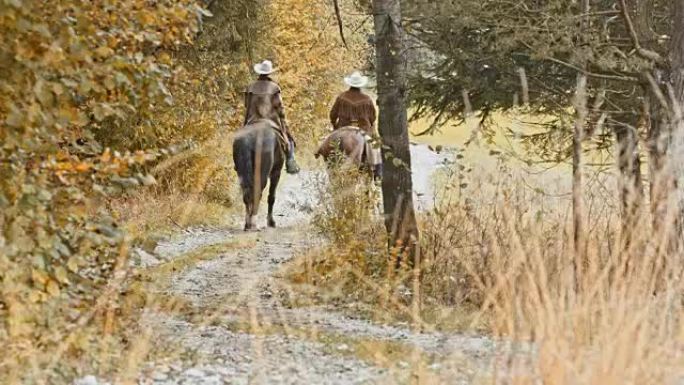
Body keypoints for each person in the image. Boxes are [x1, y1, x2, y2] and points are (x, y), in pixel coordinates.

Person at [244, 60, 300, 174]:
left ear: (259, 73)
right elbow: (279, 108)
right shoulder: (274, 87)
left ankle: (240, 164)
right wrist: (284, 124)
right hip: (271, 122)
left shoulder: (250, 87)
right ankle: (290, 162)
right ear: (269, 73)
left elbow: (247, 106)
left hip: (252, 120)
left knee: (241, 140)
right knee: (288, 141)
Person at [329, 71, 382, 179]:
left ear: (350, 84)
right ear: (360, 85)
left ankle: (331, 170)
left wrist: (334, 125)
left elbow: (332, 115)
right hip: (363, 131)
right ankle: (377, 175)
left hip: (342, 130)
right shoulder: (367, 99)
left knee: (330, 148)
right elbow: (373, 118)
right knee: (376, 149)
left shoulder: (341, 97)